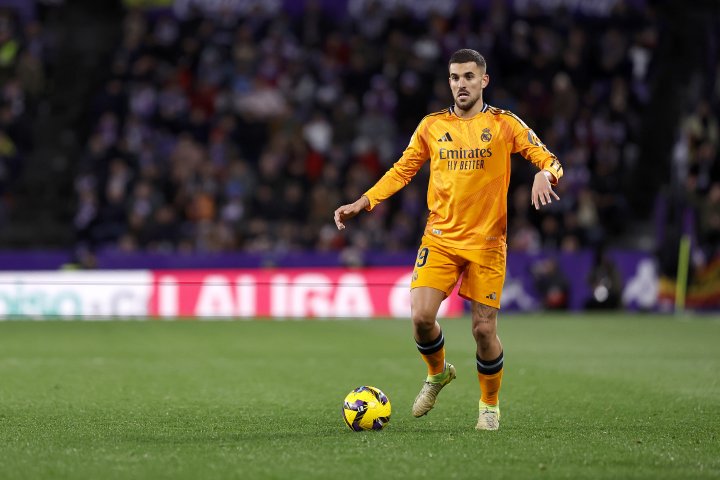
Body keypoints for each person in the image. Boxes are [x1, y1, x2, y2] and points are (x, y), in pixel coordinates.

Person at [333, 49, 563, 430]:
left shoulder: (504, 124)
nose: (461, 84)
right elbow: (402, 169)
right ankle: (437, 373)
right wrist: (365, 200)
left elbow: (550, 159)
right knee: (422, 318)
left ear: (483, 81)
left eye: (469, 77)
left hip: (488, 244)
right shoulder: (431, 126)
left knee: (483, 330)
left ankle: (489, 405)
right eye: (455, 77)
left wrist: (545, 175)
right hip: (440, 238)